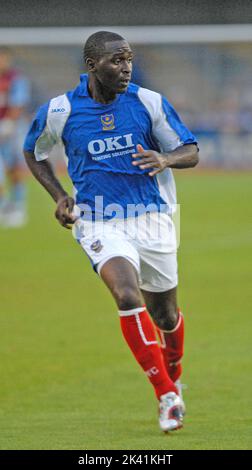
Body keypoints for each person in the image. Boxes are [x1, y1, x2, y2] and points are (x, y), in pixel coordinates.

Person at [23, 31, 199, 433]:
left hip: (152, 219)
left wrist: (166, 158)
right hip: (98, 219)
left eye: (129, 60)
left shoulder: (148, 102)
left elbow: (191, 149)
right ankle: (166, 395)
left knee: (166, 315)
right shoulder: (59, 111)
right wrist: (60, 195)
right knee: (124, 292)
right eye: (116, 61)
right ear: (92, 66)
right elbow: (33, 152)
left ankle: (175, 375)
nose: (126, 68)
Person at [0, 47, 30, 227]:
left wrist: (8, 124)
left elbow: (18, 104)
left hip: (12, 130)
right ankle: (4, 207)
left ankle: (18, 206)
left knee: (14, 168)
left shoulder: (16, 79)